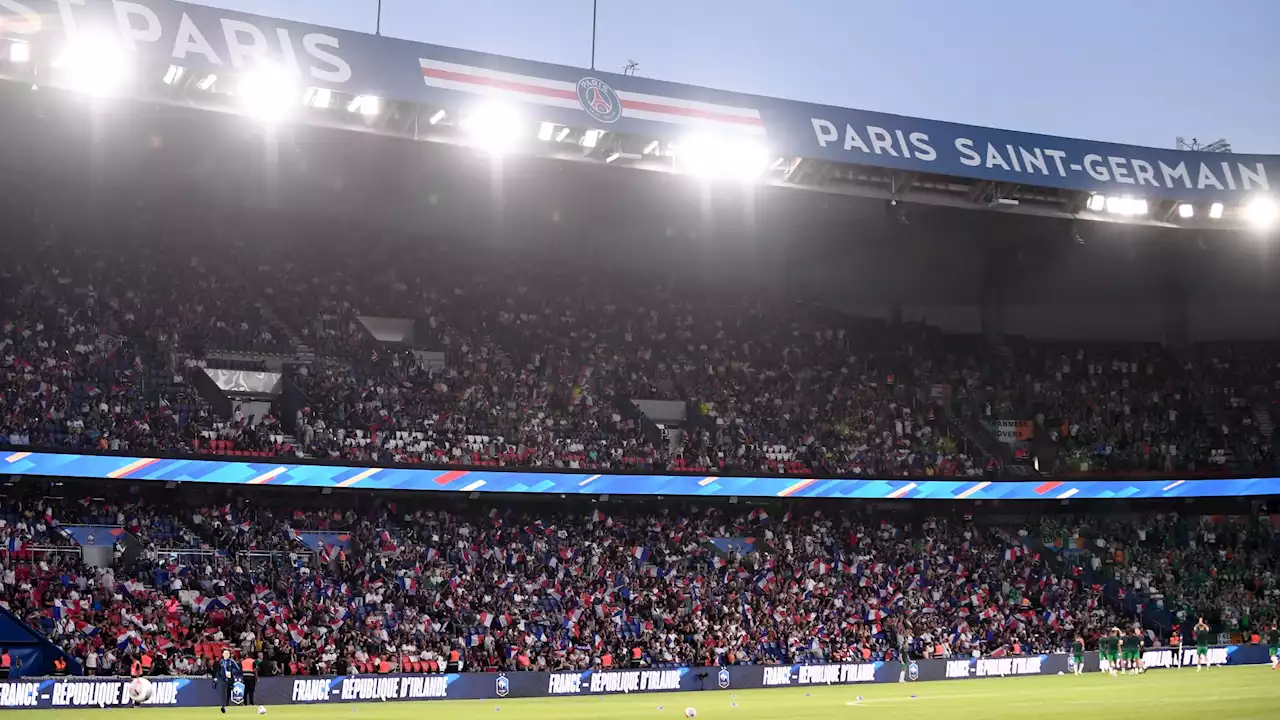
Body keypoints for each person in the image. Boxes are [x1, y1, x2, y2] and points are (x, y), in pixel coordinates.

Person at [213, 648, 243, 714]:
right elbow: (218, 671)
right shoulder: (221, 662)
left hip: (230, 680)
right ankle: (223, 707)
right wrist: (216, 678)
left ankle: (232, 704)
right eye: (225, 653)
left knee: (230, 693)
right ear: (223, 654)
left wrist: (232, 672)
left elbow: (238, 669)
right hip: (223, 679)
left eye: (228, 654)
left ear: (229, 655)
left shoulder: (232, 661)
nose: (226, 655)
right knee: (223, 693)